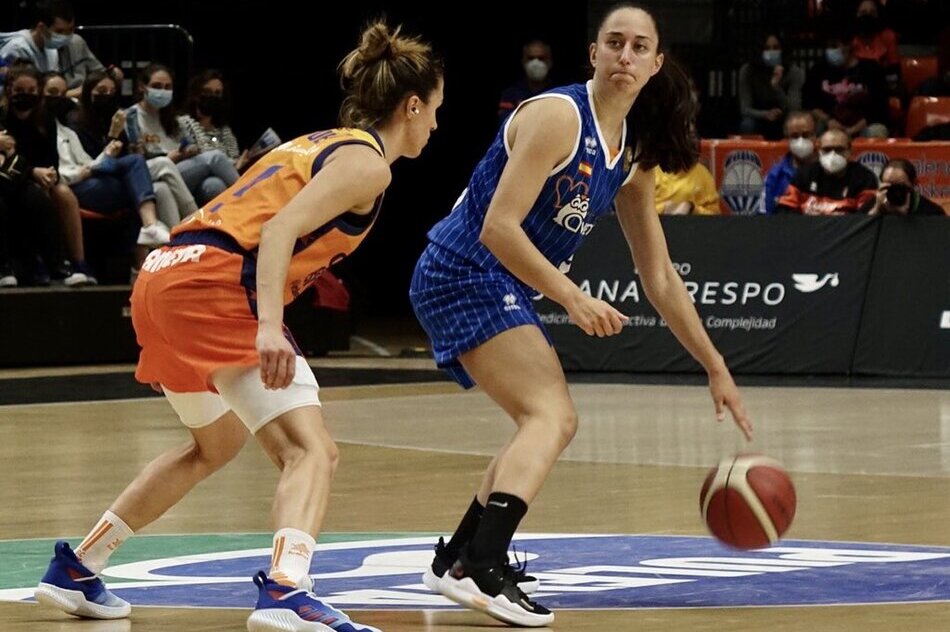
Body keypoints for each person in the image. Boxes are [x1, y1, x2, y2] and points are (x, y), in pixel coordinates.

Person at [34, 20, 444, 632]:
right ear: (411, 106)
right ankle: (285, 590)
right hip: (216, 287)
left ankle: (79, 566)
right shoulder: (367, 165)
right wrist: (270, 327)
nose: (436, 124)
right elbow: (278, 233)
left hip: (164, 274)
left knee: (214, 445)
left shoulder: (313, 143)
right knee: (312, 451)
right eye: (435, 109)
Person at [410, 4, 752, 627]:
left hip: (493, 281)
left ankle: (459, 559)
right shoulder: (557, 117)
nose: (625, 55)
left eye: (638, 46)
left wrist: (716, 365)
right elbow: (498, 227)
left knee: (536, 422)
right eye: (613, 43)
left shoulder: (631, 153)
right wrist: (573, 296)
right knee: (553, 416)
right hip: (463, 268)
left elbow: (660, 277)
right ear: (593, 54)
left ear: (655, 63)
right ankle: (484, 566)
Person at [776, 128, 877, 215]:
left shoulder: (864, 178)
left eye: (839, 150)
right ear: (819, 151)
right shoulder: (804, 175)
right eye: (827, 150)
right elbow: (784, 211)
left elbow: (865, 217)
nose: (832, 155)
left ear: (850, 151)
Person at [737, 32, 804, 140]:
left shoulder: (793, 72)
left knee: (795, 123)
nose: (771, 52)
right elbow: (745, 109)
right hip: (758, 117)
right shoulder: (747, 71)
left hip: (784, 117)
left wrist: (776, 87)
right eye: (767, 48)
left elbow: (794, 109)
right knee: (747, 124)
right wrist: (766, 114)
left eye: (776, 48)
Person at [759, 110, 817, 214]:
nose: (801, 141)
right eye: (795, 136)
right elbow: (764, 218)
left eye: (806, 135)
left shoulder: (829, 171)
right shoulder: (774, 176)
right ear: (787, 139)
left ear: (815, 136)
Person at [497, 39, 554, 122]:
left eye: (541, 58)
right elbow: (506, 124)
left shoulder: (559, 93)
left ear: (550, 62)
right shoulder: (511, 94)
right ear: (523, 61)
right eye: (531, 58)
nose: (536, 62)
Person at [868, 158, 945, 216]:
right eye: (888, 186)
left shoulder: (932, 212)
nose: (894, 191)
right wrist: (876, 210)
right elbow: (858, 233)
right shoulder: (873, 205)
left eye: (900, 186)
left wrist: (904, 218)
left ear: (914, 184)